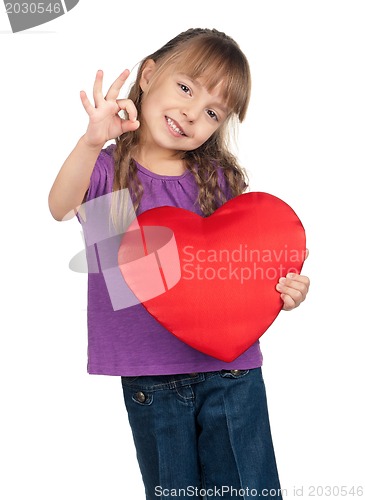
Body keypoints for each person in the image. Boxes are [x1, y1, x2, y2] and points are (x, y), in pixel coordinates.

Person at [48, 28, 310, 499]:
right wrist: (91, 143)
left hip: (231, 374)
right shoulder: (109, 170)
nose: (192, 113)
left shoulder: (217, 179)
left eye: (212, 112)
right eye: (186, 88)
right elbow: (61, 206)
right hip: (151, 378)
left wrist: (282, 290)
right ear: (149, 75)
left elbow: (243, 268)